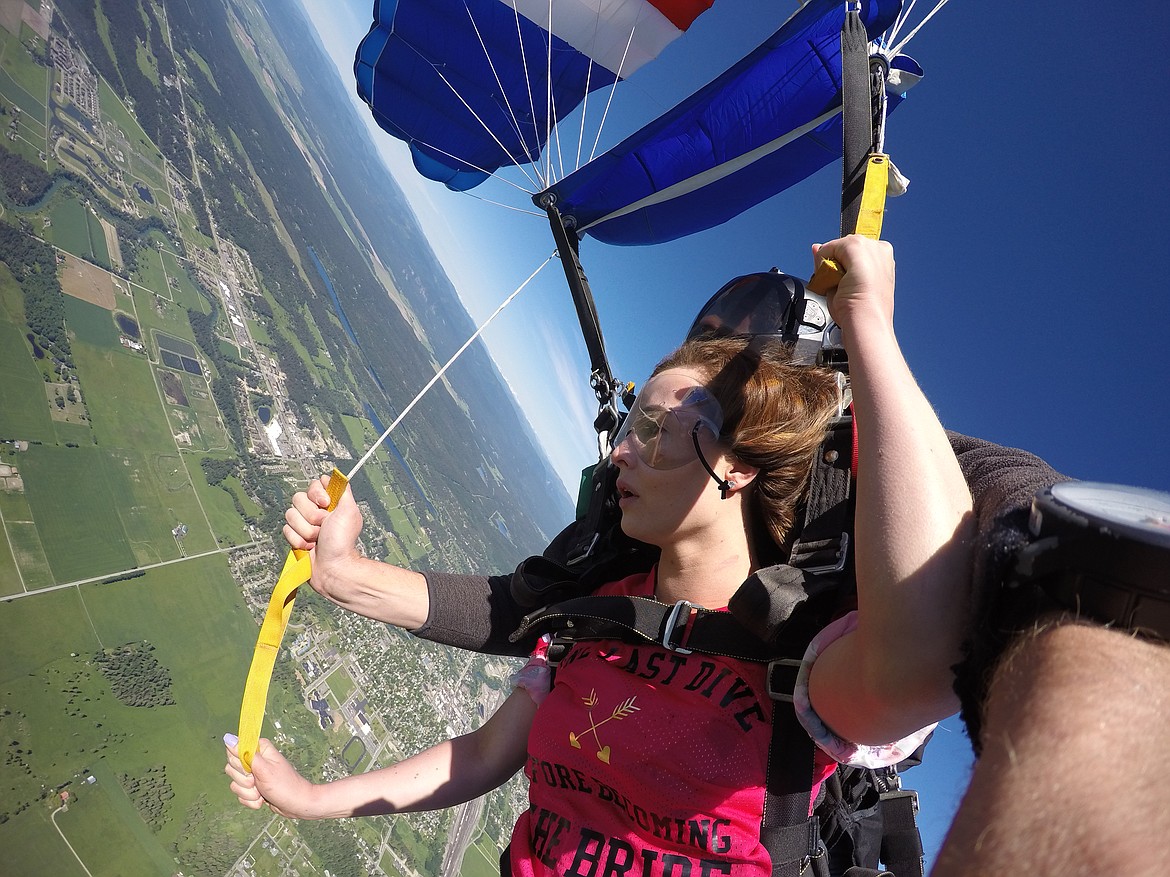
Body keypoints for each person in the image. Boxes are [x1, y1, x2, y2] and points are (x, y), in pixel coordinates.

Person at [226, 235, 977, 874]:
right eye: (630, 425)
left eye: (654, 428)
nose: (619, 453)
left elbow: (925, 655)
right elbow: (485, 752)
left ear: (740, 466)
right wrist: (340, 581)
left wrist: (868, 324)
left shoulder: (799, 663)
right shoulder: (594, 612)